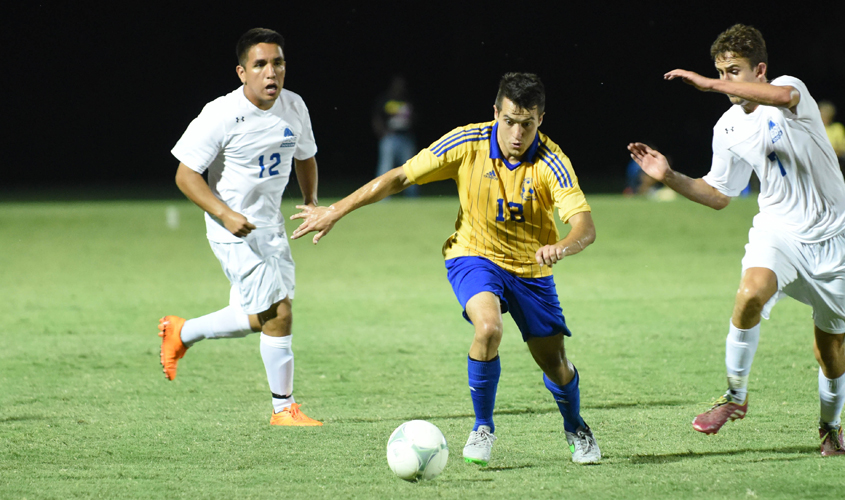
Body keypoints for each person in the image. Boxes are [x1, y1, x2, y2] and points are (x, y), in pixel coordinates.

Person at [291, 73, 601, 464]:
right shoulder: (467, 142)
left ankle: (575, 426)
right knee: (488, 328)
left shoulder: (552, 161)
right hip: (473, 255)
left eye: (527, 123)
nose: (517, 134)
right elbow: (401, 175)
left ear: (541, 119)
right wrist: (335, 209)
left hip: (530, 269)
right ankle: (483, 427)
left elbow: (584, 226)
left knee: (555, 363)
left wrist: (562, 246)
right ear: (495, 114)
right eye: (509, 121)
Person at [627, 24, 845, 456]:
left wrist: (706, 83)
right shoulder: (727, 128)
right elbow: (720, 195)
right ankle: (735, 395)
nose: (725, 82)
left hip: (833, 239)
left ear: (760, 69)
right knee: (749, 293)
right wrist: (669, 177)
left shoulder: (790, 90)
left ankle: (830, 426)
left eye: (734, 71)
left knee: (829, 350)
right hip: (778, 229)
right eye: (719, 71)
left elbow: (782, 98)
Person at [159, 28, 322, 426]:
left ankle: (182, 332)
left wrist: (312, 201)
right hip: (231, 229)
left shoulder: (294, 106)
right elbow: (185, 175)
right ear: (242, 72)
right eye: (261, 64)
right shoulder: (219, 114)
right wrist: (224, 213)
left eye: (278, 63)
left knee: (261, 315)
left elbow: (305, 156)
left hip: (269, 227)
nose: (271, 72)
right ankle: (284, 409)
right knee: (280, 311)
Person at [372, 75, 418, 197]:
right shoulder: (385, 99)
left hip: (406, 137)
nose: (400, 87)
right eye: (397, 84)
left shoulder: (407, 99)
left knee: (411, 168)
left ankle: (413, 197)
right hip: (390, 137)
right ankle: (381, 197)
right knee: (385, 167)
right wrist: (382, 132)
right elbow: (377, 118)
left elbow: (415, 117)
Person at [818, 100, 845, 180]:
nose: (825, 117)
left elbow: (843, 147)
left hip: (835, 158)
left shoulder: (837, 128)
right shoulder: (812, 128)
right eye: (823, 114)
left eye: (827, 114)